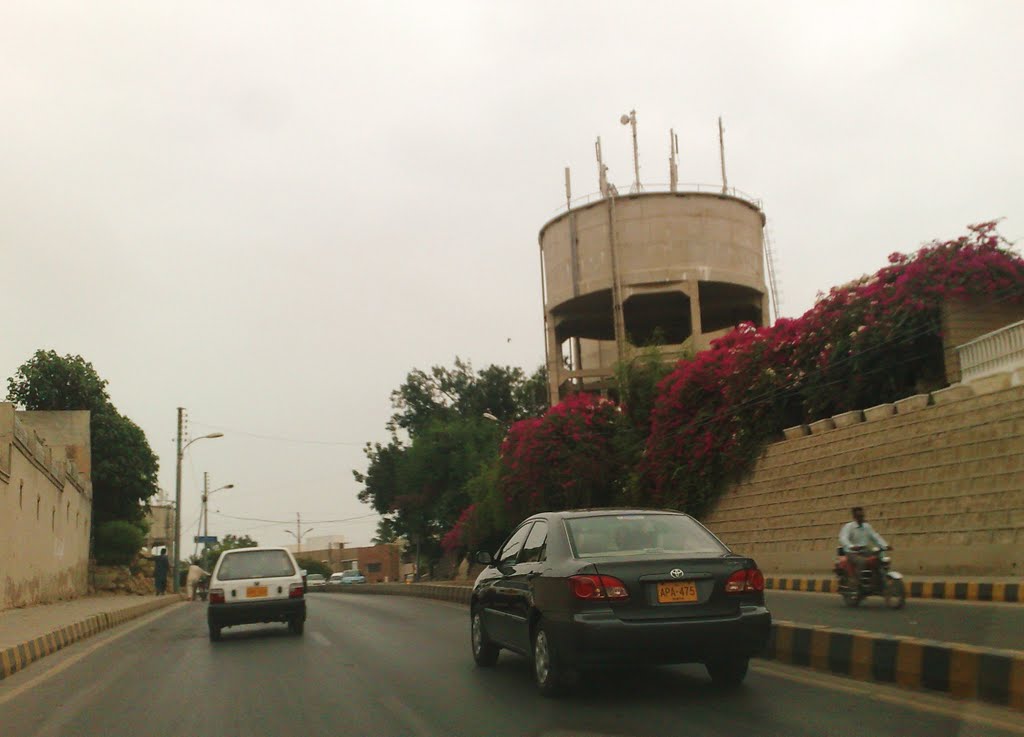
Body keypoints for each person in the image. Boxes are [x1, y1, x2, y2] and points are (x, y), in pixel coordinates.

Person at [838, 507, 889, 586]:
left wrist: (885, 545)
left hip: (865, 550)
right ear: (854, 517)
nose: (861, 518)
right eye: (859, 516)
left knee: (878, 559)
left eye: (862, 516)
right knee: (862, 561)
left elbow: (875, 536)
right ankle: (856, 582)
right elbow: (843, 538)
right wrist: (851, 546)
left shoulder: (867, 526)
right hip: (852, 553)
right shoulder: (848, 527)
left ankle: (876, 581)